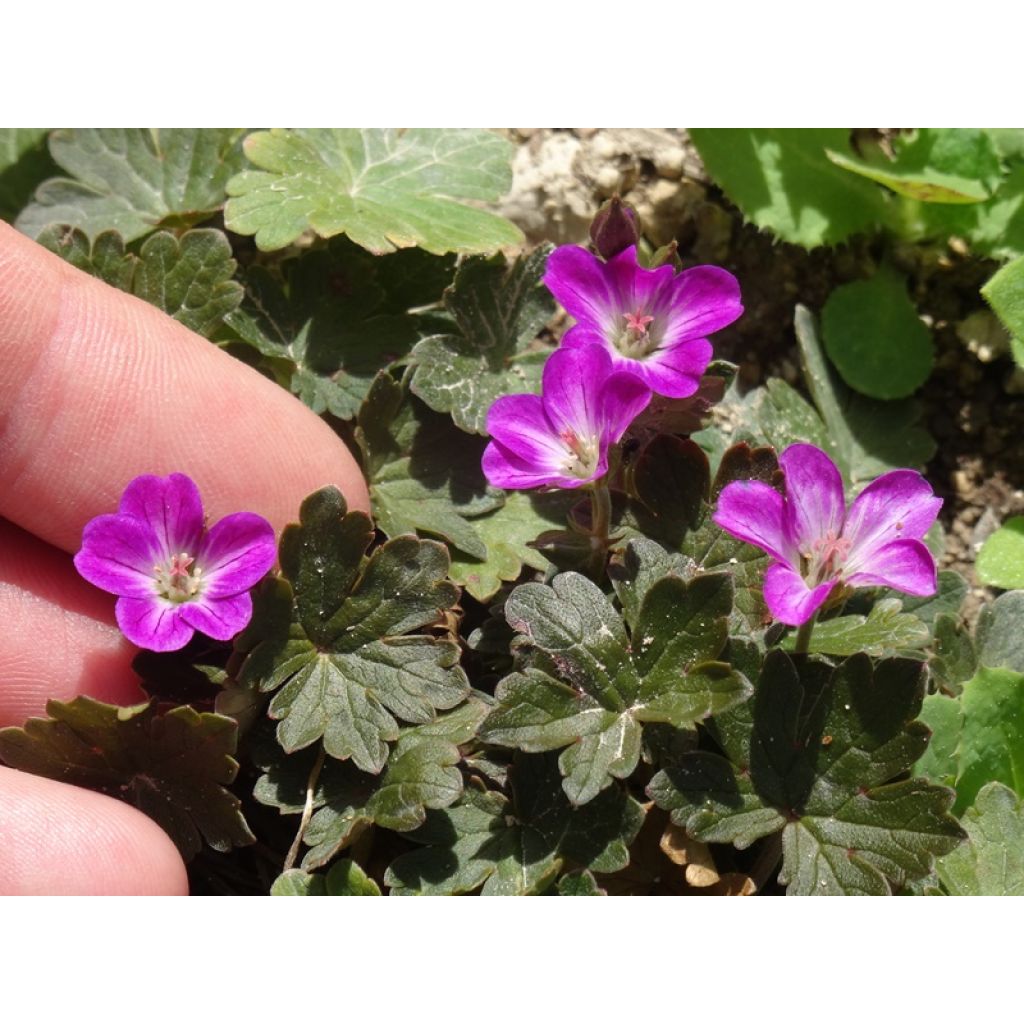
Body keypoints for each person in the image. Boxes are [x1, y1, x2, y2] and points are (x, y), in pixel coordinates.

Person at [0, 221, 369, 894]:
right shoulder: (148, 593)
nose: (177, 572)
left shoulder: (225, 573)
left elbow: (243, 575)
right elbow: (130, 581)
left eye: (184, 569)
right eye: (173, 570)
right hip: (172, 623)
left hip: (210, 613)